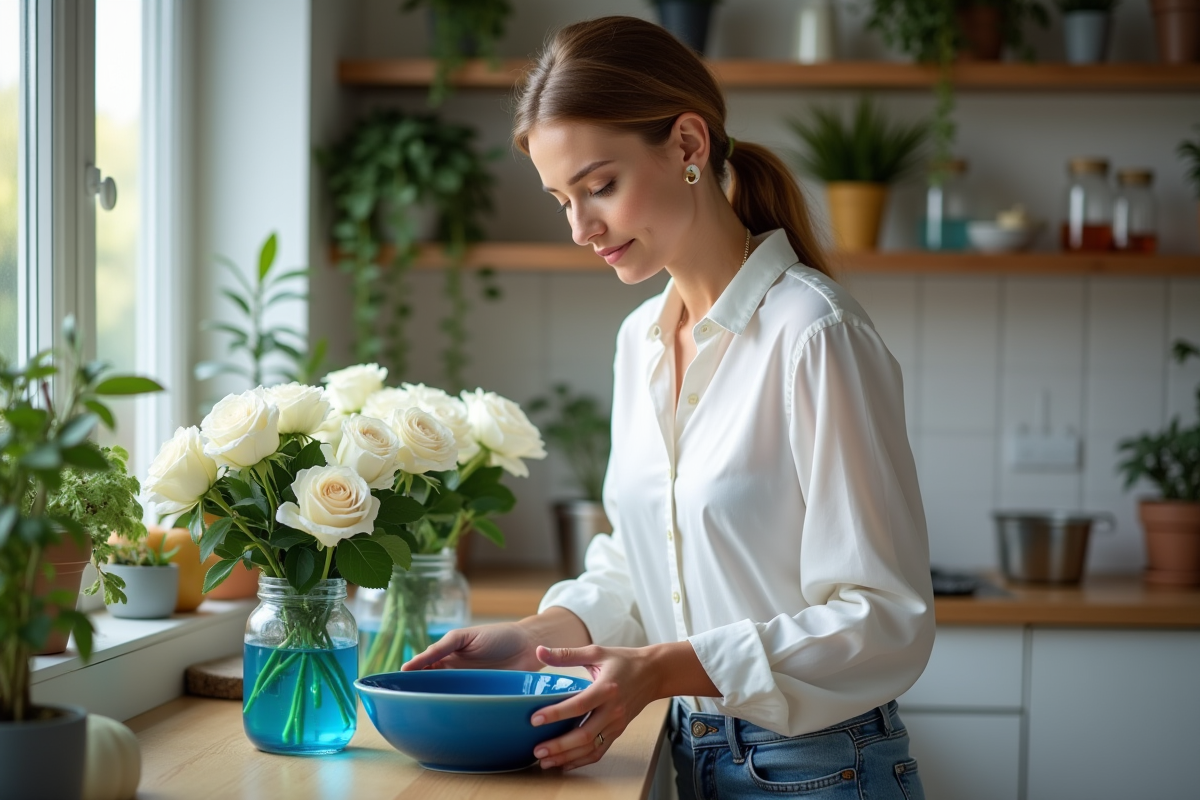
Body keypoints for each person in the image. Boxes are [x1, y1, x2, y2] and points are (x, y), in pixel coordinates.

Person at [402, 15, 935, 799]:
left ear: (688, 144)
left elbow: (884, 617)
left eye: (599, 187)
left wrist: (659, 670)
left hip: (825, 769)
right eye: (562, 200)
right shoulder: (640, 341)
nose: (581, 228)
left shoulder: (814, 333)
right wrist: (536, 639)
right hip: (697, 752)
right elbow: (643, 561)